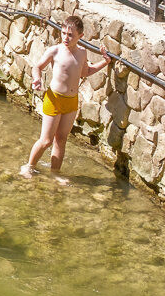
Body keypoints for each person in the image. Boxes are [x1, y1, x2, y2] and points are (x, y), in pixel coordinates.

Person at [20, 16, 112, 183]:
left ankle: (55, 173)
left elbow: (85, 72)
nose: (66, 38)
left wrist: (105, 62)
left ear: (80, 36)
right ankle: (29, 166)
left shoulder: (82, 52)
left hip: (71, 102)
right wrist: (37, 79)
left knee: (61, 139)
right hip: (54, 99)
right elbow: (37, 67)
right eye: (63, 33)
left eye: (70, 35)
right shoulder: (55, 50)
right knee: (46, 140)